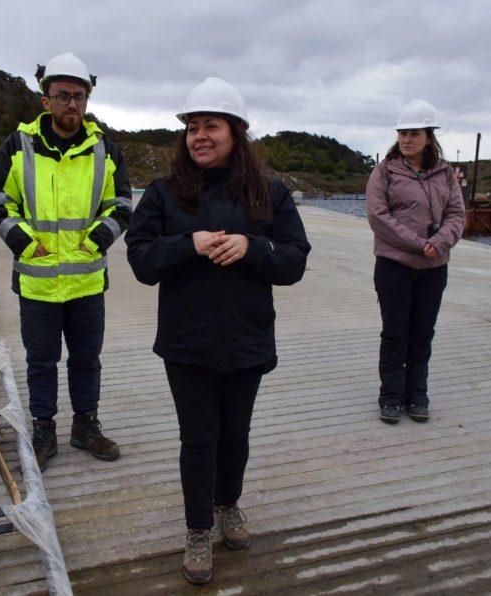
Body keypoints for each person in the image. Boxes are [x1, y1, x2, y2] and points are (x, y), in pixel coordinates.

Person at [125, 77, 310, 585]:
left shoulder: (269, 194)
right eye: (191, 127)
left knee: (236, 435)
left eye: (211, 126)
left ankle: (229, 504)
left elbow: (294, 260)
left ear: (236, 132)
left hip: (248, 336)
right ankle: (198, 529)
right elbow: (140, 260)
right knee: (199, 438)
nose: (199, 136)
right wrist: (191, 242)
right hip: (187, 342)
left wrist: (254, 248)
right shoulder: (164, 195)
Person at [0, 52, 132, 470]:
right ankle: (44, 427)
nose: (72, 103)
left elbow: (121, 203)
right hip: (37, 281)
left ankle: (85, 425)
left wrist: (99, 240)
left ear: (87, 100)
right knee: (41, 361)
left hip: (86, 281)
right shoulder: (18, 146)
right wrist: (27, 245)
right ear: (45, 100)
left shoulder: (105, 149)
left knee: (87, 358)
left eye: (79, 96)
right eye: (63, 95)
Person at [365, 99, 466, 425]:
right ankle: (391, 396)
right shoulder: (384, 172)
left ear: (429, 136)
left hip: (434, 267)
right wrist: (418, 243)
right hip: (394, 265)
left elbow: (456, 214)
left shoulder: (446, 174)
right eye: (402, 133)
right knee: (396, 332)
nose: (406, 139)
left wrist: (440, 242)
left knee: (422, 332)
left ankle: (417, 394)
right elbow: (378, 217)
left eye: (414, 133)